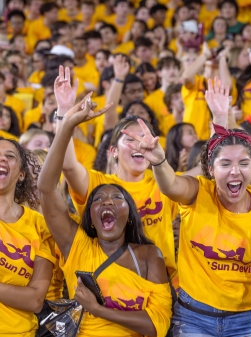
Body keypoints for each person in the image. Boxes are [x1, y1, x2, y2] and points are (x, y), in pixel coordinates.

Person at [123, 79, 251, 336]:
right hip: (193, 317)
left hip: (247, 319)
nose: (234, 171)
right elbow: (171, 185)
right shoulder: (198, 191)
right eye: (225, 164)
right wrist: (160, 161)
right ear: (210, 169)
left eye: (243, 164)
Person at [37, 94, 172, 336]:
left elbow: (158, 326)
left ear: (131, 214)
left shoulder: (151, 256)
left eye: (118, 199)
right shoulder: (76, 245)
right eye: (98, 199)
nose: (107, 201)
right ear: (88, 214)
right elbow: (46, 187)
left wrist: (97, 309)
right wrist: (67, 122)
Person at [54, 66, 179, 290]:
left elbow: (208, 171)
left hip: (163, 287)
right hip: (111, 288)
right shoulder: (98, 186)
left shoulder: (165, 181)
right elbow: (67, 165)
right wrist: (64, 112)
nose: (140, 144)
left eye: (145, 138)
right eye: (131, 139)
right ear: (112, 151)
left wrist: (220, 116)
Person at [0, 137, 55, 336]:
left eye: (10, 156)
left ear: (22, 174)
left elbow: (35, 300)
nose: (2, 160)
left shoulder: (39, 226)